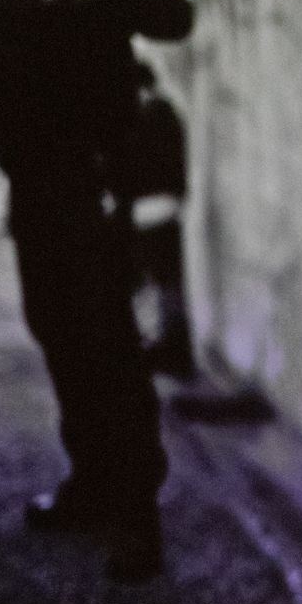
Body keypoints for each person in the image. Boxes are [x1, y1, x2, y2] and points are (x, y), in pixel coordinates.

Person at [0, 0, 194, 583]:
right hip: (34, 193)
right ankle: (90, 482)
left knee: (108, 347)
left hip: (95, 189)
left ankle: (135, 511)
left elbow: (175, 15)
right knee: (58, 335)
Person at [125, 64, 194, 377]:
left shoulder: (151, 116)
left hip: (151, 207)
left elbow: (140, 166)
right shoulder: (165, 113)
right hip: (165, 205)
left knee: (154, 281)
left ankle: (165, 347)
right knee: (165, 281)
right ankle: (170, 348)